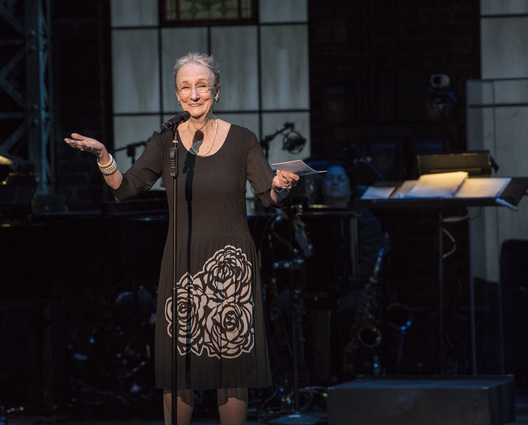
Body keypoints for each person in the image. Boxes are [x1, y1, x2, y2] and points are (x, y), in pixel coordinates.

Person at [65, 52, 299, 425]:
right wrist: (103, 156)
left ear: (216, 92)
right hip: (181, 262)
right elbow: (126, 189)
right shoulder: (165, 141)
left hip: (231, 263)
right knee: (179, 367)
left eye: (202, 86)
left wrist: (281, 187)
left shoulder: (242, 140)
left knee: (231, 368)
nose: (194, 94)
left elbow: (266, 196)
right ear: (177, 96)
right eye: (185, 87)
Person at [315, 162, 387, 381]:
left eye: (341, 179)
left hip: (353, 288)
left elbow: (367, 265)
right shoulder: (312, 217)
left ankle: (344, 371)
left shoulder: (365, 220)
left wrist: (343, 287)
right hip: (318, 287)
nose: (334, 182)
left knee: (348, 307)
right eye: (329, 178)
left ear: (350, 187)